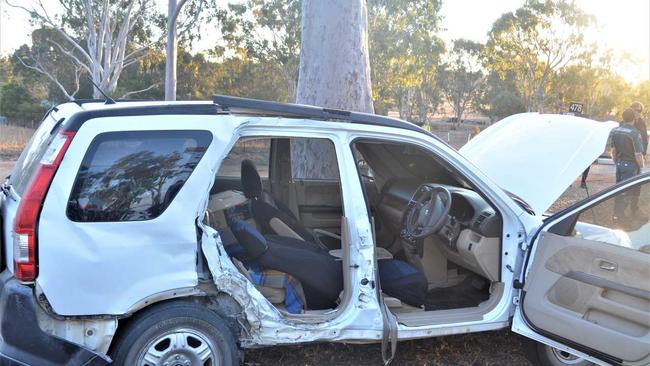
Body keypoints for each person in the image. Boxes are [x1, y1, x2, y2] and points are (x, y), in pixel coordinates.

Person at [611, 108, 645, 222]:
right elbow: (638, 154)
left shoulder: (615, 130)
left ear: (623, 118)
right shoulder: (634, 133)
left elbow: (613, 151)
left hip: (619, 164)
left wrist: (616, 162)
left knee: (618, 190)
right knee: (627, 191)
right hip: (631, 166)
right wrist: (641, 166)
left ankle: (616, 214)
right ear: (633, 119)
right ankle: (620, 217)